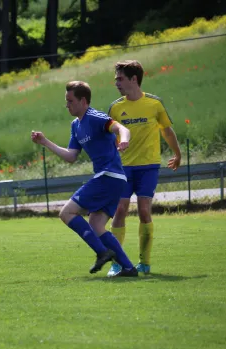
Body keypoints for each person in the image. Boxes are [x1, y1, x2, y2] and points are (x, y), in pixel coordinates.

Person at [30, 81, 138, 277]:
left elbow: (123, 129)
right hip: (112, 179)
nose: (67, 105)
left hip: (109, 176)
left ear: (83, 101)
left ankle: (102, 252)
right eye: (66, 101)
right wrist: (45, 142)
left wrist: (124, 140)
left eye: (70, 101)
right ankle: (128, 268)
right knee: (96, 225)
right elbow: (71, 156)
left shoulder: (96, 117)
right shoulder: (75, 125)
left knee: (66, 213)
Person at [107, 60, 182, 276]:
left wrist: (177, 154)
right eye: (115, 79)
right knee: (119, 210)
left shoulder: (154, 104)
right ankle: (117, 263)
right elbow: (109, 136)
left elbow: (167, 131)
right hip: (123, 168)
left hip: (148, 167)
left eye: (120, 79)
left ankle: (144, 262)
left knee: (143, 210)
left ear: (133, 79)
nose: (117, 83)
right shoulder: (115, 107)